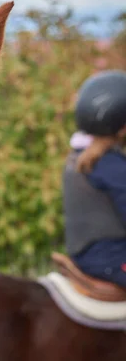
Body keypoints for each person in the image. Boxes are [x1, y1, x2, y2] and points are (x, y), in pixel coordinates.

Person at [62, 70, 126, 288]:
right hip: (111, 259)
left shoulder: (80, 155)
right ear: (122, 126)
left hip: (90, 256)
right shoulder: (110, 165)